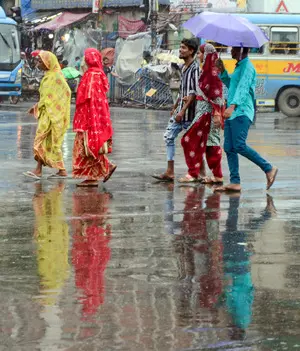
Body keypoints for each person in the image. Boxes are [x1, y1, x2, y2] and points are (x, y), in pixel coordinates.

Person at [215, 47, 278, 192]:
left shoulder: (248, 67)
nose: (231, 52)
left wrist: (232, 106)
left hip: (241, 112)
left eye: (234, 49)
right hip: (233, 112)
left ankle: (268, 168)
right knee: (229, 147)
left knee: (239, 145)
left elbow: (243, 89)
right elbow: (233, 86)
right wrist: (223, 71)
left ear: (241, 50)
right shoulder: (239, 67)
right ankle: (235, 182)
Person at [152, 38, 200, 182]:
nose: (180, 50)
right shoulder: (184, 68)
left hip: (190, 114)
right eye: (180, 47)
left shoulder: (195, 68)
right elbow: (183, 90)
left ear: (191, 51)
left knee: (193, 144)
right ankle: (170, 171)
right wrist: (176, 106)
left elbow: (193, 92)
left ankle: (197, 172)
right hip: (180, 110)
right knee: (168, 136)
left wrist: (182, 111)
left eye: (184, 48)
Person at [179, 43, 224, 184]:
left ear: (206, 55)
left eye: (200, 53)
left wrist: (217, 113)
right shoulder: (206, 71)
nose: (198, 55)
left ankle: (194, 173)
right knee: (210, 144)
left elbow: (217, 94)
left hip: (208, 113)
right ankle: (216, 175)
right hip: (203, 111)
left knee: (189, 140)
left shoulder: (212, 72)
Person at [72, 48, 117, 187]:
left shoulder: (92, 75)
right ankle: (101, 170)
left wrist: (91, 120)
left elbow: (90, 100)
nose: (84, 60)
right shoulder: (98, 73)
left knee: (87, 146)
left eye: (85, 58)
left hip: (90, 117)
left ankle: (96, 173)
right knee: (89, 146)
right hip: (96, 116)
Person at [24, 51, 71, 180]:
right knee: (48, 142)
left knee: (41, 141)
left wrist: (42, 107)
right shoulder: (49, 75)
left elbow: (65, 92)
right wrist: (37, 106)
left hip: (52, 115)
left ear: (48, 63)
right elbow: (46, 96)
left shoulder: (55, 77)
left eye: (41, 62)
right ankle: (60, 170)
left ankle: (39, 170)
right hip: (47, 114)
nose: (38, 64)